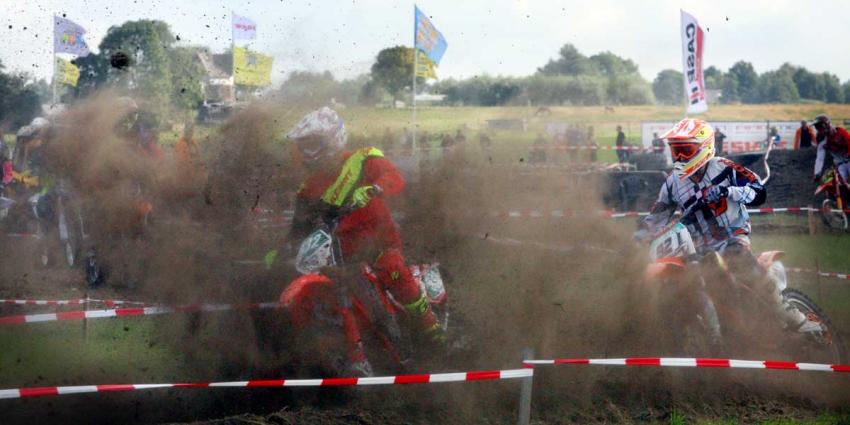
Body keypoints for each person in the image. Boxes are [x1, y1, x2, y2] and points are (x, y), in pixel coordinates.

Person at [286, 107, 443, 369]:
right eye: (303, 145)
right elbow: (298, 227)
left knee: (393, 270)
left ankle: (431, 328)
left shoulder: (363, 160)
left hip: (378, 243)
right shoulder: (308, 187)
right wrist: (280, 248)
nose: (307, 152)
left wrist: (374, 188)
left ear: (332, 140)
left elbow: (395, 178)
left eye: (312, 144)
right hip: (338, 253)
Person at [639, 118, 818, 337]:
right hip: (700, 246)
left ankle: (796, 319)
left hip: (733, 236)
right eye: (675, 151)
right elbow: (657, 216)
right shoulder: (672, 183)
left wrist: (729, 191)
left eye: (685, 150)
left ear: (703, 148)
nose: (679, 157)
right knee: (686, 277)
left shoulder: (723, 168)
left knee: (740, 260)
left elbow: (758, 190)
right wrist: (643, 234)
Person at [812, 115, 850, 188]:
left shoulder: (841, 132)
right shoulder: (822, 140)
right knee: (835, 184)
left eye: (820, 127)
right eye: (817, 128)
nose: (819, 130)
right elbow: (820, 157)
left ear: (827, 125)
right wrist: (817, 173)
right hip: (840, 165)